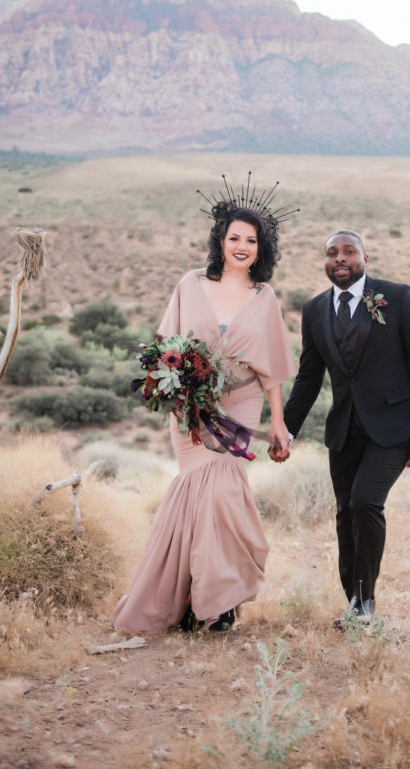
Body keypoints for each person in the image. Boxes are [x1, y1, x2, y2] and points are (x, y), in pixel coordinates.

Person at [111, 187, 294, 634]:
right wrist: (172, 387)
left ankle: (220, 602)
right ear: (220, 240)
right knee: (198, 496)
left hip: (243, 402)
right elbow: (162, 348)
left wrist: (279, 424)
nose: (242, 247)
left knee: (224, 494)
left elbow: (272, 370)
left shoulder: (265, 297)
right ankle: (193, 598)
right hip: (192, 407)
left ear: (261, 247)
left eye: (251, 241)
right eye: (235, 238)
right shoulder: (190, 284)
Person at [283, 229, 410, 626]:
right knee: (344, 513)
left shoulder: (398, 297)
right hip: (344, 431)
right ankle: (353, 601)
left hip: (394, 427)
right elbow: (309, 377)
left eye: (349, 252)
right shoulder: (315, 309)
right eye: (331, 252)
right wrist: (286, 429)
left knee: (366, 502)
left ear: (365, 259)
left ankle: (365, 602)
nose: (340, 258)